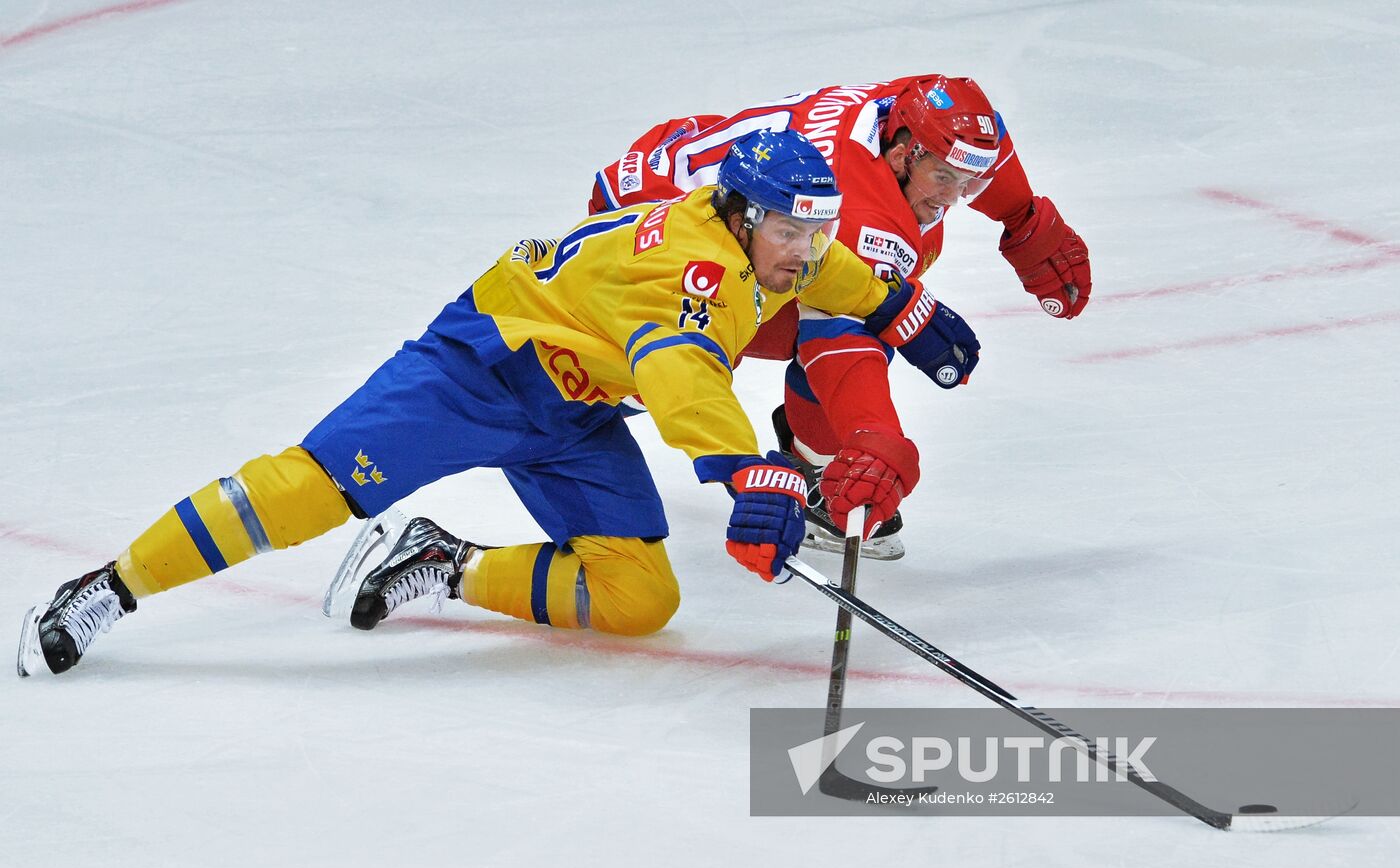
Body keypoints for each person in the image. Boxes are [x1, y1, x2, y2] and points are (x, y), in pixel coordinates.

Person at [16, 128, 976, 677]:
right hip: (478, 371)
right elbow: (684, 375)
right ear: (737, 211)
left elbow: (837, 273)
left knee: (641, 599)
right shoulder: (692, 272)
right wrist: (748, 471)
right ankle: (109, 586)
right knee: (309, 491)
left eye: (813, 229)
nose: (803, 250)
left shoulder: (778, 249)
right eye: (787, 228)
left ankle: (445, 561)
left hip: (575, 411)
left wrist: (907, 305)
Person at [591, 74, 1092, 559]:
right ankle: (810, 469)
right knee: (697, 347)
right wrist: (870, 440)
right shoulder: (857, 220)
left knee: (877, 302)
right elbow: (836, 336)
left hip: (682, 163)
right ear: (901, 154)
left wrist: (1023, 216)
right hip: (657, 225)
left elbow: (982, 143)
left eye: (968, 182)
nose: (953, 199)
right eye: (943, 179)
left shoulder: (906, 109)